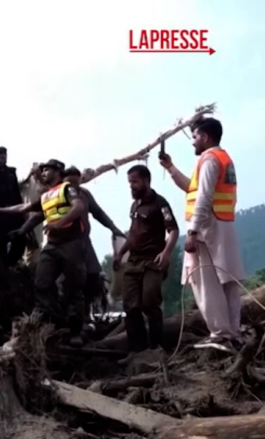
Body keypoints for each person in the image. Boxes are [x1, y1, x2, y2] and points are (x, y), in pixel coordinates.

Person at [160, 117, 244, 352]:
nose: (193, 142)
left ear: (205, 137)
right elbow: (193, 188)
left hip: (207, 227)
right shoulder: (222, 158)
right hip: (223, 223)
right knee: (227, 281)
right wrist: (170, 168)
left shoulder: (208, 160)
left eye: (195, 136)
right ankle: (233, 333)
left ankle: (220, 334)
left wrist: (193, 231)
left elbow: (203, 197)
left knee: (205, 281)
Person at [0, 159, 87, 346]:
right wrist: (0, 212)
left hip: (71, 243)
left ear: (58, 171)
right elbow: (28, 210)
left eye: (47, 169)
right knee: (41, 283)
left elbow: (78, 207)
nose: (43, 172)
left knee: (73, 287)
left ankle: (76, 330)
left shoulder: (67, 188)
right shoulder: (47, 196)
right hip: (52, 246)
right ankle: (51, 322)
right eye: (43, 169)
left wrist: (58, 224)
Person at [114, 165, 178, 361]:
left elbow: (174, 230)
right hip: (133, 261)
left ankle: (156, 348)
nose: (131, 186)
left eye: (135, 182)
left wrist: (166, 253)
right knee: (130, 306)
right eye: (129, 182)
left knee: (149, 302)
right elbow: (133, 234)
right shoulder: (135, 206)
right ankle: (137, 351)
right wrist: (120, 253)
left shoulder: (160, 203)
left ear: (146, 181)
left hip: (153, 261)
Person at [63, 166, 124, 317]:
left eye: (76, 183)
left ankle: (86, 314)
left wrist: (113, 228)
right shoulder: (58, 194)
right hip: (64, 242)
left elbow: (98, 213)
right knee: (69, 280)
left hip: (84, 240)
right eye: (70, 183)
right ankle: (69, 316)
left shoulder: (84, 194)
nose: (74, 187)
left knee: (93, 276)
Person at [0, 147, 27, 266]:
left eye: (3, 158)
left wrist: (22, 213)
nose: (0, 160)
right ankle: (3, 267)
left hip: (12, 212)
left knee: (20, 239)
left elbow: (16, 193)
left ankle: (10, 264)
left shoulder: (11, 173)